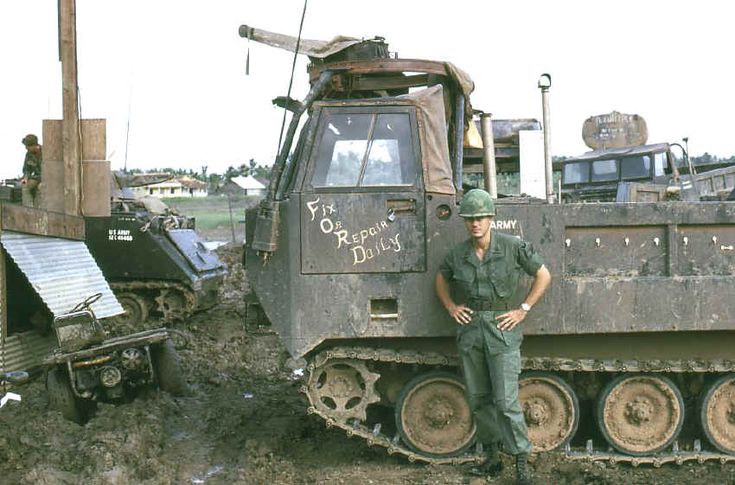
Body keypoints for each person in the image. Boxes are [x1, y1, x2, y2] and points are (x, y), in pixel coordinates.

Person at [435, 188, 551, 485]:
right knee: (479, 399)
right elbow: (441, 277)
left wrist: (523, 308)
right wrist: (451, 307)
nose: (475, 223)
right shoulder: (458, 254)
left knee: (506, 401)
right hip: (471, 329)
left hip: (502, 330)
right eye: (470, 219)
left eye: (481, 218)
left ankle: (521, 464)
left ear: (491, 219)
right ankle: (492, 459)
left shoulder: (511, 247)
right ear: (465, 222)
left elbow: (543, 275)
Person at [21, 133, 42, 208]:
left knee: (41, 188)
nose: (26, 148)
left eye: (28, 146)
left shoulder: (45, 152)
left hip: (46, 179)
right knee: (25, 185)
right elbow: (26, 169)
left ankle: (37, 210)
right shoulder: (28, 154)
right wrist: (25, 178)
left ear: (34, 145)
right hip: (36, 178)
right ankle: (28, 209)